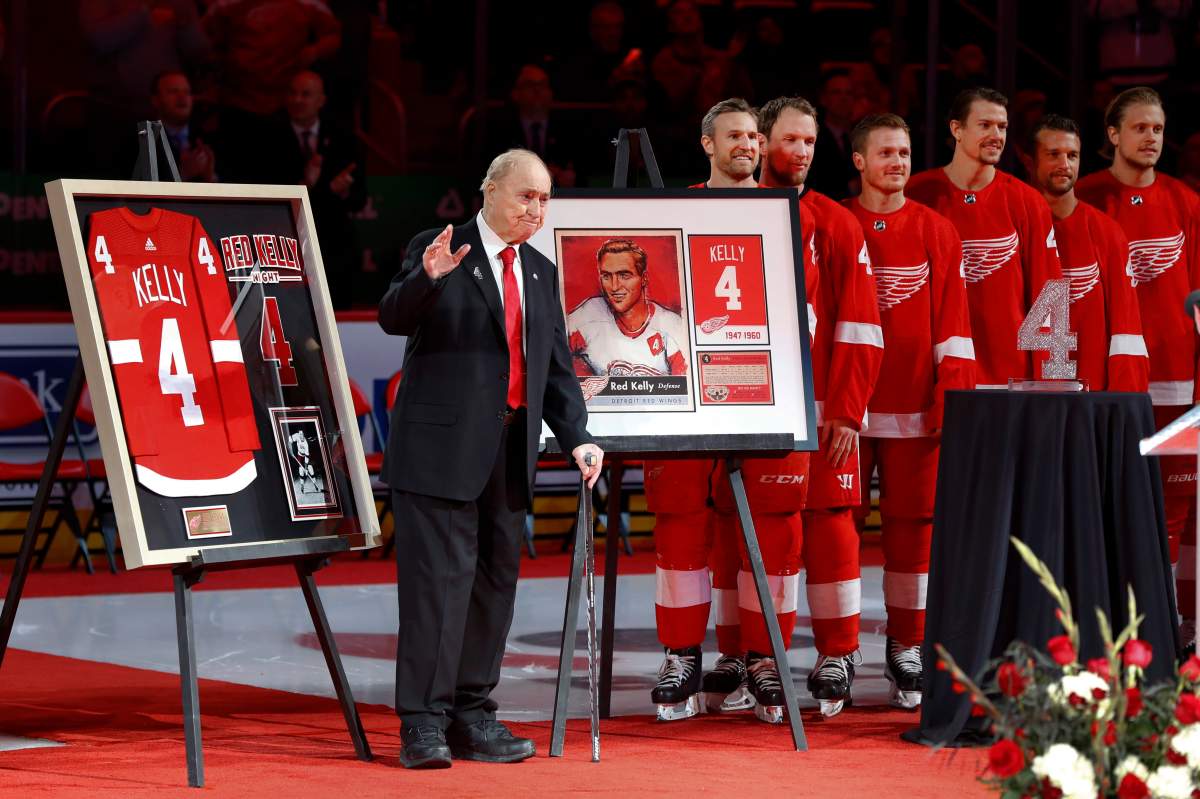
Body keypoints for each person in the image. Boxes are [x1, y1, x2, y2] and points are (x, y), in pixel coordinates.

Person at [379, 149, 603, 769]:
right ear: (489, 191)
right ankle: (422, 723)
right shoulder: (440, 245)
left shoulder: (539, 270)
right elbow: (393, 317)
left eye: (544, 199)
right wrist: (428, 278)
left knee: (492, 588)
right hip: (439, 453)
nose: (535, 209)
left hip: (509, 453)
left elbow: (556, 370)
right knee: (437, 591)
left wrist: (578, 435)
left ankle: (471, 715)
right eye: (525, 196)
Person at [642, 98, 819, 724]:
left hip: (767, 395)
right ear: (707, 145)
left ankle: (766, 657)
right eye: (734, 136)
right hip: (687, 401)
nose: (747, 144)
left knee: (774, 526)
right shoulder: (671, 213)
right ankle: (681, 653)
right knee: (682, 523)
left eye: (753, 135)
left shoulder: (792, 216)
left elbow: (809, 317)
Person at [845, 113, 975, 710]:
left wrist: (952, 396)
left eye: (904, 152)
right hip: (848, 409)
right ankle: (838, 650)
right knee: (837, 528)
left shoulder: (936, 228)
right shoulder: (839, 223)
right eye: (886, 153)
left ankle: (907, 646)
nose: (898, 162)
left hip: (917, 409)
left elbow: (954, 322)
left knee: (913, 534)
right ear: (860, 161)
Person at [760, 95, 883, 718]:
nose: (802, 152)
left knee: (834, 519)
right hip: (756, 406)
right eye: (790, 140)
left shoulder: (836, 221)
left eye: (810, 142)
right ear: (760, 141)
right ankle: (765, 658)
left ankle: (839, 652)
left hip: (822, 407)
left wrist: (847, 410)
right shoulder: (730, 215)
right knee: (767, 527)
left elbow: (860, 324)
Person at [1076, 87, 1200, 648]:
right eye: (1141, 128)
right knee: (1104, 500)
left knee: (1176, 507)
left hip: (1175, 377)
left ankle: (1168, 623)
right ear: (1113, 134)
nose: (1152, 138)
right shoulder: (1084, 197)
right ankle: (1101, 622)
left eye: (1158, 128)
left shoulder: (1186, 202)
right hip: (1107, 380)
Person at [907, 87, 1063, 389]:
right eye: (985, 125)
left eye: (1002, 127)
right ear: (956, 129)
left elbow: (1050, 295)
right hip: (931, 376)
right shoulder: (917, 194)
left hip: (1009, 378)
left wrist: (1053, 382)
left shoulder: (1027, 202)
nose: (996, 135)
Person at [1029, 114, 1148, 393]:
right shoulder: (1017, 228)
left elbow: (1125, 324)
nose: (1064, 165)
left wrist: (1124, 398)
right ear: (1032, 161)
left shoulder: (1106, 231)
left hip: (1091, 394)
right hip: (1024, 393)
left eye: (1072, 155)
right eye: (1053, 154)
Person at [263, 70, 366, 307]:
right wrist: (316, 187)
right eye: (293, 93)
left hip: (333, 243)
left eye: (306, 94)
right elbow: (268, 193)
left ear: (321, 100)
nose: (298, 100)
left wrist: (343, 191)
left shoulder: (343, 137)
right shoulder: (268, 135)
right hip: (286, 241)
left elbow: (360, 198)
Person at [567, 238, 688, 377]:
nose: (614, 286)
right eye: (606, 276)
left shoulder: (671, 326)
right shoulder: (588, 316)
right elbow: (552, 356)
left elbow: (687, 388)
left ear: (644, 278)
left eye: (624, 275)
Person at [148, 70, 217, 183]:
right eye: (173, 91)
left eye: (187, 92)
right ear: (155, 100)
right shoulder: (141, 141)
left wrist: (211, 178)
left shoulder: (209, 139)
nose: (182, 97)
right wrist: (182, 175)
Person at [806, 69, 861, 201]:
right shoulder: (812, 139)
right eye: (836, 92)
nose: (843, 98)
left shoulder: (861, 137)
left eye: (849, 93)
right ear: (823, 99)